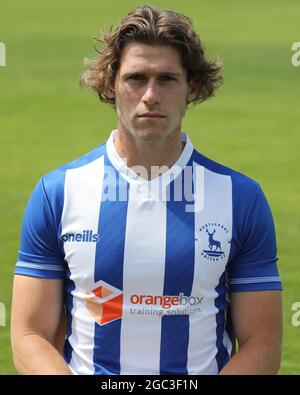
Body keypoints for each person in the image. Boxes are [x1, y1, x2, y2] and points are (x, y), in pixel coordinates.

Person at [11, 4, 282, 375]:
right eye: (136, 78)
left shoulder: (240, 199)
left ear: (192, 88)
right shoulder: (58, 193)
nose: (151, 95)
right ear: (111, 85)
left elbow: (262, 342)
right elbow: (29, 335)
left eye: (167, 79)